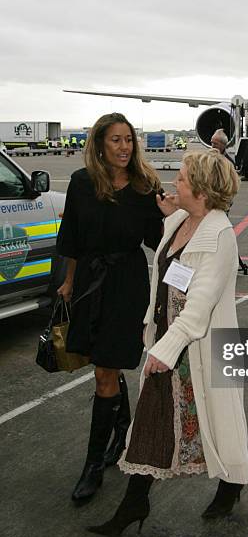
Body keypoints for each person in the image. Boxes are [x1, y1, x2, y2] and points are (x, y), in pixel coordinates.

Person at [87, 150, 248, 537]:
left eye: (181, 178)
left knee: (221, 425)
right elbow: (170, 266)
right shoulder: (180, 220)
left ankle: (231, 484)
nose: (174, 183)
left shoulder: (220, 237)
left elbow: (198, 308)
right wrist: (172, 209)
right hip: (166, 342)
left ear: (202, 189)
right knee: (151, 422)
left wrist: (164, 351)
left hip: (195, 349)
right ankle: (134, 502)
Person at [56, 112, 164, 503]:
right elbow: (71, 236)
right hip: (89, 281)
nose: (124, 147)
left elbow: (160, 240)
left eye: (128, 140)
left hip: (127, 285)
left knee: (106, 369)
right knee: (100, 360)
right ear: (100, 144)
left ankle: (93, 466)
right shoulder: (82, 183)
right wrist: (68, 282)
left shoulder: (143, 186)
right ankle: (121, 425)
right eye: (116, 140)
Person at [210, 128, 248, 275]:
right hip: (212, 203)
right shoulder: (213, 159)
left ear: (222, 145)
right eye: (211, 143)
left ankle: (228, 262)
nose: (211, 146)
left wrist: (223, 203)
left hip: (220, 204)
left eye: (214, 144)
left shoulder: (227, 164)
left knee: (221, 235)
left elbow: (230, 188)